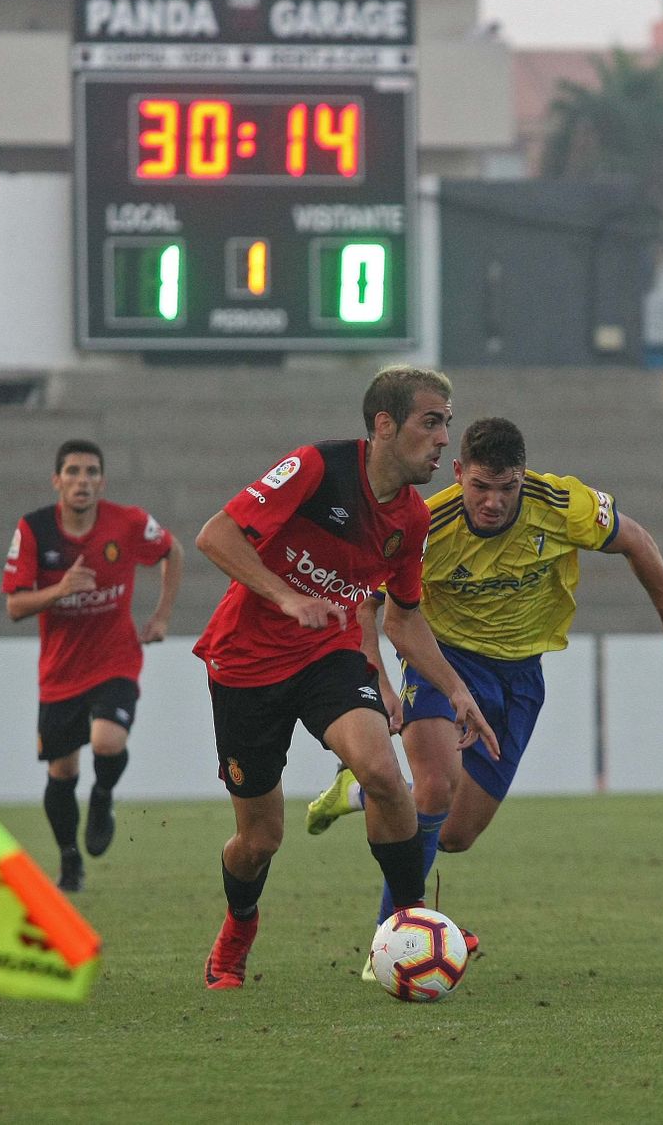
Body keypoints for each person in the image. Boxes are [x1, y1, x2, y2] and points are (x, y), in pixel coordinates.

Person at [306, 416, 663, 976]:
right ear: (460, 472)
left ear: (523, 478)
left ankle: (368, 792)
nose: (493, 502)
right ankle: (392, 941)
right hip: (441, 659)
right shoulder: (426, 524)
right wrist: (383, 683)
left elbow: (636, 540)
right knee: (437, 787)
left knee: (457, 834)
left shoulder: (563, 504)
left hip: (519, 676)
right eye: (481, 487)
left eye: (507, 488)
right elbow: (376, 608)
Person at [192, 365, 499, 990]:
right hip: (246, 667)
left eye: (448, 422)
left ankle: (413, 925)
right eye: (432, 422)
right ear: (384, 425)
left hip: (326, 656)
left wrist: (457, 689)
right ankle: (237, 930)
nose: (445, 438)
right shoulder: (316, 467)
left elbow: (405, 623)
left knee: (384, 775)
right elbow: (215, 535)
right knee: (260, 840)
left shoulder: (411, 520)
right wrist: (286, 598)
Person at [2, 440, 183, 892]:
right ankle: (69, 858)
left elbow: (172, 552)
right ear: (57, 480)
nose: (82, 480)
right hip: (60, 673)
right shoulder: (35, 530)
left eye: (91, 472)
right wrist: (59, 591)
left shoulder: (128, 522)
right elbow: (15, 606)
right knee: (62, 772)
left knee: (107, 740)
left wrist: (161, 615)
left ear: (101, 481)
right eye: (73, 472)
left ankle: (102, 798)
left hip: (115, 660)